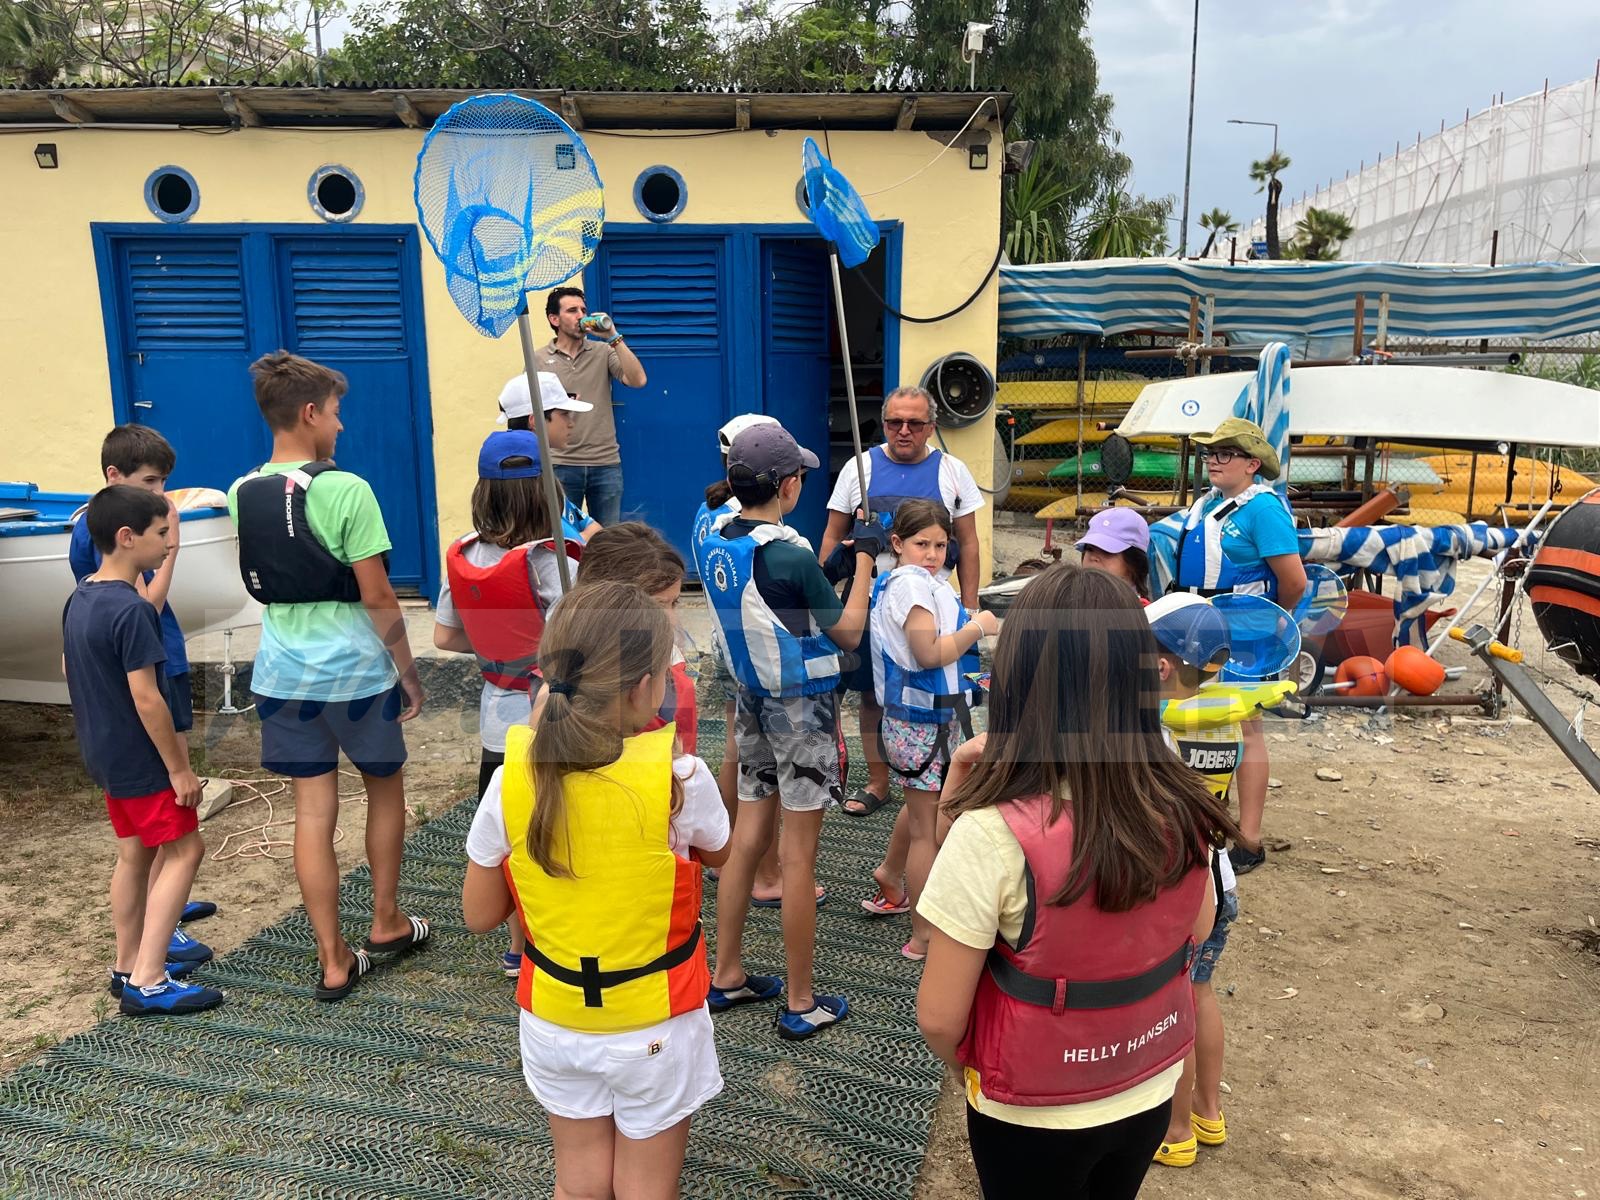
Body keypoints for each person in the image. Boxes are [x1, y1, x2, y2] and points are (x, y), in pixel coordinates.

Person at [915, 565, 1236, 1200]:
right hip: (1148, 1082)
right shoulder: (1182, 801)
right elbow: (1196, 930)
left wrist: (974, 1079)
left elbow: (938, 1017)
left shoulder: (991, 831)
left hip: (1032, 1107)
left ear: (1017, 680)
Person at [461, 580, 730, 1198]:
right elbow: (721, 853)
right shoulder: (680, 779)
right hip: (654, 1021)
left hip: (555, 1018)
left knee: (577, 1183)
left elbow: (479, 916)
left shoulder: (509, 781)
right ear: (644, 687)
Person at [229, 350, 429, 1003]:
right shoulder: (348, 490)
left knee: (312, 813)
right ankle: (387, 922)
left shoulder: (241, 491)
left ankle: (332, 958)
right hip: (355, 674)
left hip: (283, 674)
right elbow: (377, 597)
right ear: (311, 413)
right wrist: (408, 669)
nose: (340, 427)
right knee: (384, 792)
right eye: (336, 414)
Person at [703, 421, 876, 1040]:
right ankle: (801, 1000)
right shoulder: (790, 553)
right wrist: (864, 561)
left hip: (750, 699)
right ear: (787, 484)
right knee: (798, 854)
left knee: (748, 837)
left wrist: (829, 565)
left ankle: (726, 972)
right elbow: (848, 631)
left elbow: (779, 599)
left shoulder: (715, 533)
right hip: (801, 710)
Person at [63, 485, 224, 1016]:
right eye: (161, 535)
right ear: (127, 538)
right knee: (186, 849)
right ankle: (150, 980)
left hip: (106, 754)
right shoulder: (133, 610)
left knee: (135, 853)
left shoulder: (81, 595)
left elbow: (71, 671)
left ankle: (127, 962)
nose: (167, 545)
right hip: (142, 759)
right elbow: (147, 697)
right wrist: (180, 770)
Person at [433, 429, 582, 977]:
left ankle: (518, 949)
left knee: (512, 832)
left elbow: (445, 638)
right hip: (555, 717)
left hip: (497, 719)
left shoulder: (464, 553)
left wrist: (497, 641)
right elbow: (579, 640)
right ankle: (555, 936)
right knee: (560, 827)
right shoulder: (555, 562)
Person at [819, 385, 984, 817]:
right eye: (894, 422)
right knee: (875, 696)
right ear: (884, 422)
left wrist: (969, 604)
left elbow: (967, 543)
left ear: (931, 426)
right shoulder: (858, 469)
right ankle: (879, 781)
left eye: (914, 423)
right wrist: (821, 594)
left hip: (933, 606)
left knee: (941, 690)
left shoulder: (952, 470)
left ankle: (939, 771)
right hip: (871, 603)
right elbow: (833, 534)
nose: (903, 431)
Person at [863, 499, 999, 961]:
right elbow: (928, 653)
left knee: (922, 804)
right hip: (921, 721)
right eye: (922, 544)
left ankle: (890, 872)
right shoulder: (911, 588)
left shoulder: (916, 583)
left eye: (941, 544)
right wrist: (978, 627)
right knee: (929, 830)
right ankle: (923, 935)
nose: (933, 554)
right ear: (898, 543)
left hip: (930, 716)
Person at [1176, 417, 1308, 874]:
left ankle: (1248, 839)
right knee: (1200, 721)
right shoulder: (1206, 505)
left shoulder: (1263, 509)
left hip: (1244, 633)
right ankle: (1203, 820)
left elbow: (1294, 582)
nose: (1214, 460)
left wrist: (1269, 624)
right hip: (1201, 627)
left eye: (1225, 454)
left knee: (1247, 728)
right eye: (1210, 453)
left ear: (1253, 464)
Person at [690, 413, 807, 909]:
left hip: (726, 641)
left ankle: (732, 854)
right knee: (763, 768)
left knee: (740, 753)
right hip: (760, 651)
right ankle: (763, 869)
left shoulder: (709, 509)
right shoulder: (762, 530)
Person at [1144, 593, 1241, 1169]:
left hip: (1188, 888)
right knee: (1200, 994)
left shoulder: (1150, 729)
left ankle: (1176, 1129)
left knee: (1174, 1003)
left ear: (1158, 665)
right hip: (1219, 878)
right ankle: (1208, 1110)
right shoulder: (1222, 712)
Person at [573, 522, 696, 755]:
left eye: (674, 603)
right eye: (657, 605)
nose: (671, 619)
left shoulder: (555, 674)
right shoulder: (665, 689)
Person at [537, 287, 647, 527]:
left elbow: (638, 380)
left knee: (607, 542)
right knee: (563, 539)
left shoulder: (603, 351)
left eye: (583, 310)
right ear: (554, 319)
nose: (580, 316)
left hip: (605, 462)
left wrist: (613, 336)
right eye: (572, 310)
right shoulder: (539, 359)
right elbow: (531, 415)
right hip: (560, 463)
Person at [497, 369, 601, 541]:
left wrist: (582, 537)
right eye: (564, 414)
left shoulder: (543, 472)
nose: (571, 423)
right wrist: (582, 537)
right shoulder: (525, 482)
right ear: (535, 421)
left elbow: (595, 530)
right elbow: (569, 547)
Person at [1076, 508, 1151, 600]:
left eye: (1107, 551)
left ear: (1134, 564)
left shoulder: (1141, 611)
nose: (1094, 558)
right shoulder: (1072, 598)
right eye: (1089, 549)